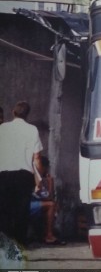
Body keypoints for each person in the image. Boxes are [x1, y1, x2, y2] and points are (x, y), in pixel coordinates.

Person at [0, 101, 43, 245]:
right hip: (24, 176)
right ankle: (20, 245)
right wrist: (39, 177)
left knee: (4, 212)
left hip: (3, 175)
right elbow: (36, 158)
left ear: (13, 112)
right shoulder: (32, 130)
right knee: (21, 213)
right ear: (27, 115)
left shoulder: (2, 128)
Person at [30, 155, 65, 245]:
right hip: (28, 204)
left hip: (32, 202)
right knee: (51, 205)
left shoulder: (39, 178)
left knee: (53, 205)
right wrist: (50, 183)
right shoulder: (35, 177)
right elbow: (47, 196)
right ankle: (49, 235)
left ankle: (44, 233)